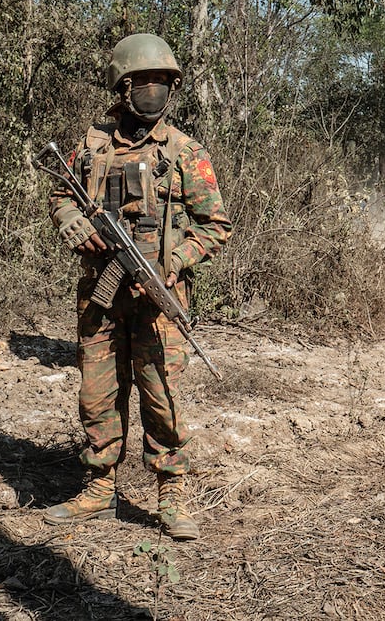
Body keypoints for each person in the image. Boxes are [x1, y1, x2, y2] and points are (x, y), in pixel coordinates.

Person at [44, 33, 233, 541]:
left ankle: (171, 492)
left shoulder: (185, 152)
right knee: (96, 393)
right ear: (123, 86)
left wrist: (175, 261)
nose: (155, 91)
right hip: (100, 298)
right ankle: (98, 485)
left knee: (160, 393)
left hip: (155, 299)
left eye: (163, 83)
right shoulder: (92, 145)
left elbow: (215, 224)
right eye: (145, 81)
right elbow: (62, 195)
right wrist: (72, 222)